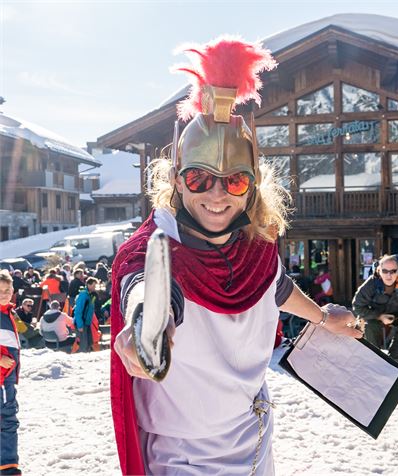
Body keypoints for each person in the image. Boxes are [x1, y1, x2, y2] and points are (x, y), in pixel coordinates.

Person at [110, 37, 362, 475]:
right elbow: (149, 291)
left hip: (254, 431)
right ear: (177, 181)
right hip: (187, 455)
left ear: (253, 186)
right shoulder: (153, 251)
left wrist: (322, 318)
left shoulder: (255, 243)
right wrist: (145, 328)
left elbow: (275, 287)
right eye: (199, 178)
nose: (217, 195)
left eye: (235, 182)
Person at [0, 270, 22, 475]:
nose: (4, 294)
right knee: (7, 419)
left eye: (7, 290)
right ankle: (7, 466)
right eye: (0, 291)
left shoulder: (7, 312)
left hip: (6, 377)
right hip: (1, 377)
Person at [73, 277, 98, 353]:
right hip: (82, 323)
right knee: (83, 345)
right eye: (93, 286)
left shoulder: (90, 295)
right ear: (88, 285)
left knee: (88, 343)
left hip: (86, 323)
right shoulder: (84, 295)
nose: (94, 288)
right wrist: (80, 325)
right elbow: (78, 311)